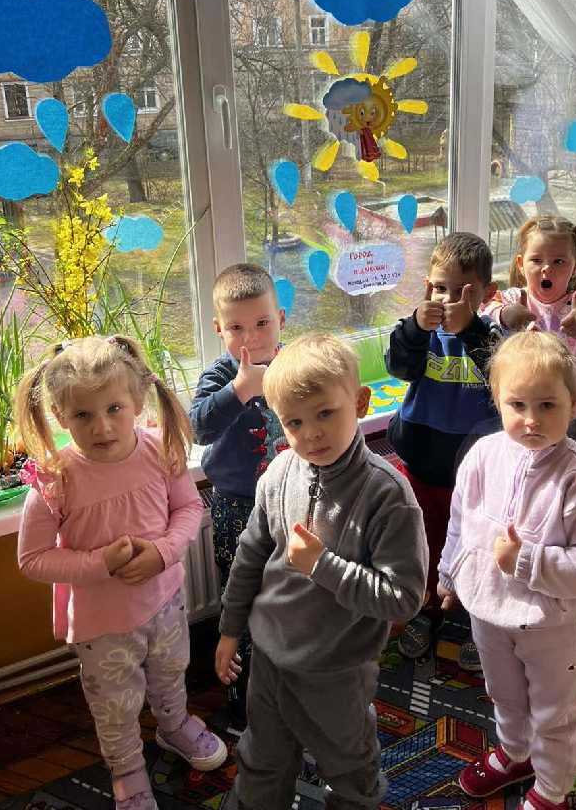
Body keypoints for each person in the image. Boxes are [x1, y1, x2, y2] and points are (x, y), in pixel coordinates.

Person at [214, 334, 428, 810]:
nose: (311, 434)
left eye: (325, 413)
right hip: (270, 658)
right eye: (294, 422)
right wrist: (230, 629)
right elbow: (250, 556)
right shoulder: (278, 474)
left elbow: (403, 597)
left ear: (360, 402)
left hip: (337, 671)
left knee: (350, 770)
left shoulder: (388, 495)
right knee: (262, 759)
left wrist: (322, 567)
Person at [16, 335, 227, 810]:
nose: (102, 426)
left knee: (171, 673)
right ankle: (127, 770)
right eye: (83, 415)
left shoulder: (160, 450)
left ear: (137, 400)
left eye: (114, 408)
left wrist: (164, 552)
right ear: (60, 415)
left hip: (165, 602)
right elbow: (32, 559)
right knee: (115, 705)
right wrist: (100, 563)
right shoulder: (54, 480)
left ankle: (174, 726)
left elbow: (189, 508)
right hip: (102, 626)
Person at [438, 331, 576, 808]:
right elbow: (460, 520)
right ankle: (516, 752)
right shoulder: (483, 455)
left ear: (574, 401)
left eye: (547, 405)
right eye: (517, 404)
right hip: (489, 613)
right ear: (497, 399)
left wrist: (525, 561)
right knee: (504, 694)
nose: (531, 419)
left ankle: (551, 789)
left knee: (554, 713)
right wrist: (449, 573)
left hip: (552, 626)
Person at [385, 231, 503, 667]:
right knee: (426, 543)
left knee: (476, 544)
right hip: (422, 464)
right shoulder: (419, 333)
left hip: (475, 474)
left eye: (462, 292)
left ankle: (477, 618)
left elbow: (501, 376)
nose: (448, 300)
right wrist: (416, 326)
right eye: (439, 288)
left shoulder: (492, 335)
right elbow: (399, 366)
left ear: (487, 294)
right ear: (426, 287)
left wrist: (470, 328)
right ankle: (426, 610)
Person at [189, 263, 288, 727]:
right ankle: (243, 698)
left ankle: (289, 686)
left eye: (262, 323)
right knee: (239, 597)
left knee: (289, 592)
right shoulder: (219, 375)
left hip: (290, 501)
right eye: (236, 328)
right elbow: (199, 427)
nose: (251, 338)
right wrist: (239, 390)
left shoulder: (294, 366)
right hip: (236, 506)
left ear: (281, 319)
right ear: (219, 329)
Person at [481, 215, 576, 455]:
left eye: (559, 261)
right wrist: (504, 314)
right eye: (536, 260)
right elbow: (483, 313)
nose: (547, 268)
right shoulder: (514, 299)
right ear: (521, 264)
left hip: (571, 419)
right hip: (522, 416)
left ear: (574, 267)